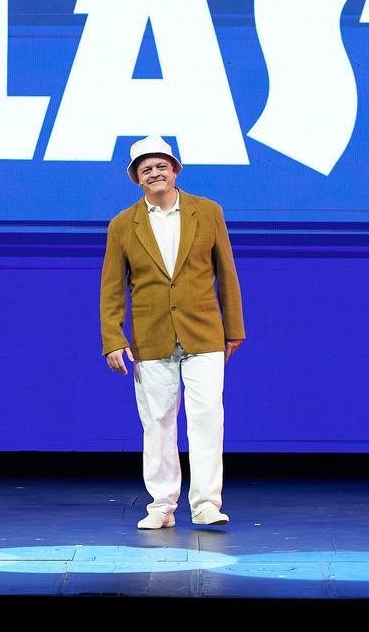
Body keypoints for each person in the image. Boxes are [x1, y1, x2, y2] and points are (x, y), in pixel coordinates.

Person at [100, 136, 245, 530]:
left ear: (176, 170)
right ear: (137, 179)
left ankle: (206, 504)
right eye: (146, 169)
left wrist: (234, 328)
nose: (155, 173)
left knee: (207, 417)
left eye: (161, 165)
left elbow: (226, 273)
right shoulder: (122, 225)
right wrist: (113, 337)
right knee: (158, 420)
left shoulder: (208, 211)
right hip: (150, 335)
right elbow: (112, 287)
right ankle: (162, 505)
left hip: (204, 332)